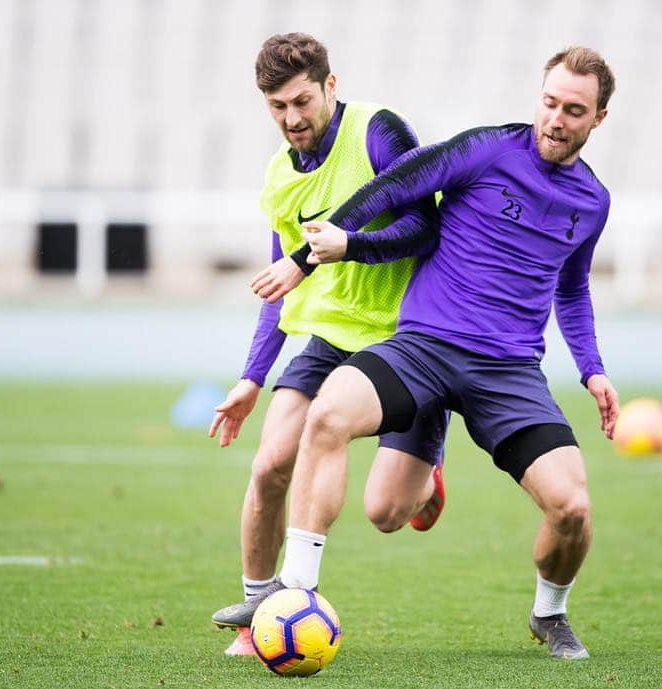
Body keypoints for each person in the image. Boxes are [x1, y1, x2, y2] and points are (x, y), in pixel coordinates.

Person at [257, 46, 620, 660]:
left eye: (574, 110)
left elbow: (572, 288)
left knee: (573, 507)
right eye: (550, 102)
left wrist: (593, 368)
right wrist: (307, 255)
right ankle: (296, 591)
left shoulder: (593, 203)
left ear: (598, 119)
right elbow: (392, 186)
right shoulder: (484, 148)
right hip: (422, 349)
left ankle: (549, 614)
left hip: (507, 372)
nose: (556, 119)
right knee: (340, 433)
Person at [208, 33, 447, 656]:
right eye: (277, 107)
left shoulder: (379, 132)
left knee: (390, 512)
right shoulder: (278, 177)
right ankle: (262, 610)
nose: (292, 119)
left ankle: (427, 481)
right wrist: (250, 379)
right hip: (327, 338)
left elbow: (425, 228)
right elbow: (278, 284)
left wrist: (337, 249)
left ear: (330, 87)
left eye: (302, 101)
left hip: (406, 341)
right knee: (268, 466)